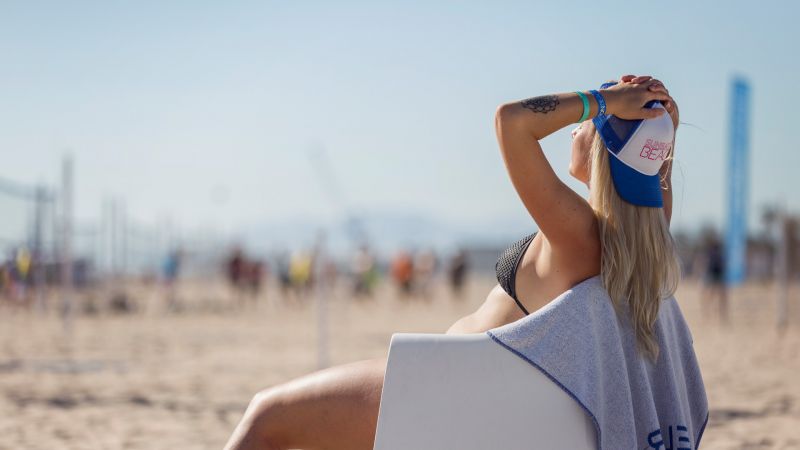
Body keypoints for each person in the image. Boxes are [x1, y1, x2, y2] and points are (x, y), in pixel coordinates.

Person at [224, 75, 703, 450]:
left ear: (600, 151)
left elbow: (511, 121)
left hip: (448, 395)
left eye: (585, 127)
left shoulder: (578, 234)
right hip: (500, 405)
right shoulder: (647, 238)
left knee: (264, 417)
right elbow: (650, 169)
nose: (575, 129)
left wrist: (603, 101)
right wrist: (663, 124)